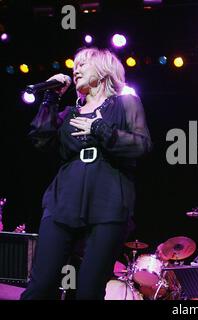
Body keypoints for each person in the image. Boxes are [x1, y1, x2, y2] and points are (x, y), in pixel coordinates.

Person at [21, 47, 152, 300]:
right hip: (63, 201)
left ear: (103, 70)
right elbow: (40, 139)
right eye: (74, 66)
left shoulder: (126, 103)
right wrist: (51, 98)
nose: (76, 69)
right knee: (39, 287)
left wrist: (100, 128)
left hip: (108, 202)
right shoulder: (69, 113)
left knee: (89, 291)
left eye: (83, 64)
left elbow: (142, 145)